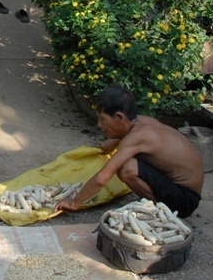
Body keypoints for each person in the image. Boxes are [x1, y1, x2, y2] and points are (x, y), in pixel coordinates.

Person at [55, 85, 204, 217]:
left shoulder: (138, 136)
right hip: (185, 189)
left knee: (126, 168)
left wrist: (74, 202)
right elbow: (130, 137)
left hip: (185, 200)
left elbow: (102, 178)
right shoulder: (142, 121)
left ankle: (159, 210)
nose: (99, 125)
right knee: (130, 159)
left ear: (119, 117)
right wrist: (115, 141)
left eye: (102, 119)